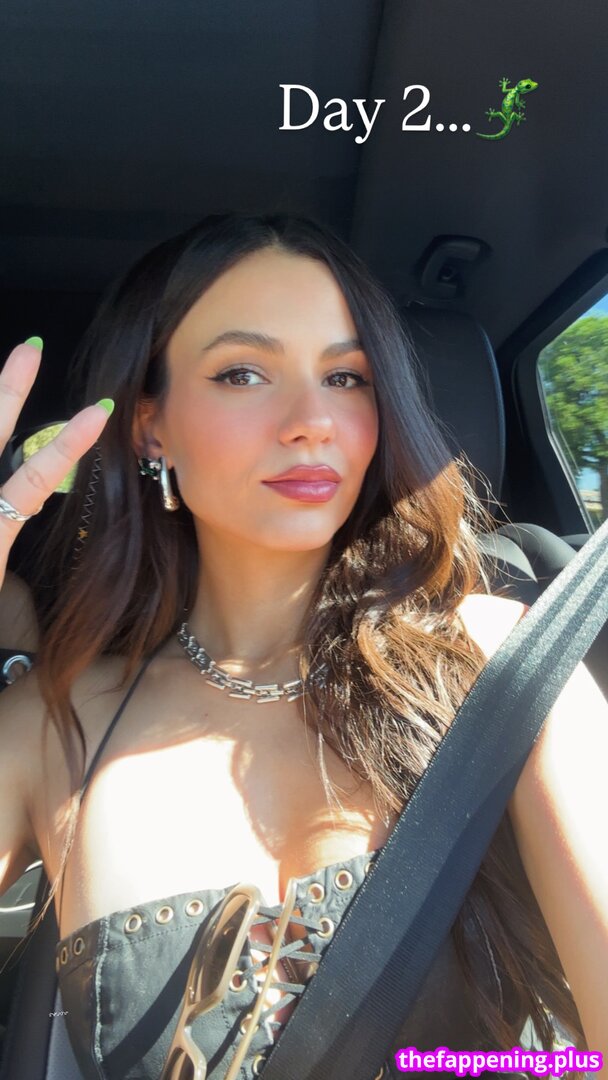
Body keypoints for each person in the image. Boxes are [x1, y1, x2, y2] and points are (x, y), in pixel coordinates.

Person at [0, 211, 606, 1080]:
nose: (312, 420)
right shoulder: (48, 724)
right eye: (243, 373)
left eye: (346, 376)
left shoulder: (505, 667)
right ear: (149, 427)